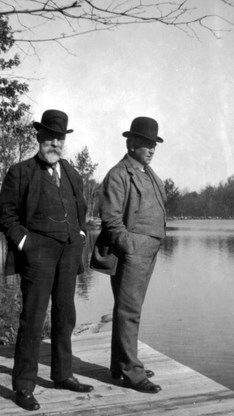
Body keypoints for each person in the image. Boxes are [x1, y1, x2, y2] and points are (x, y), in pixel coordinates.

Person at [0, 109, 94, 411]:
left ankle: (63, 375)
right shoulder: (20, 172)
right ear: (38, 137)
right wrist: (25, 242)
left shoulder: (72, 173)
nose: (54, 143)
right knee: (33, 320)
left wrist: (79, 234)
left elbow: (81, 208)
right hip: (36, 256)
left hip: (68, 254)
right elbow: (3, 216)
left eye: (59, 138)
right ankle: (23, 386)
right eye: (49, 136)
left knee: (65, 318)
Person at [91, 116, 166, 394]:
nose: (151, 149)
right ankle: (132, 372)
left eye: (154, 145)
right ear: (130, 142)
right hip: (132, 252)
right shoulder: (119, 173)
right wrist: (130, 248)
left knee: (130, 310)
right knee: (129, 311)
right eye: (146, 143)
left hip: (150, 251)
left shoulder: (148, 173)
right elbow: (110, 218)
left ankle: (121, 364)